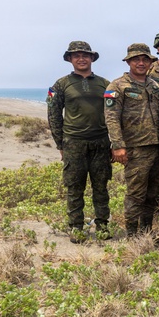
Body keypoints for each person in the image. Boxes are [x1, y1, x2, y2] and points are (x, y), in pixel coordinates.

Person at [48, 41, 111, 242]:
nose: (81, 58)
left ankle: (102, 226)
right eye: (76, 55)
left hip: (100, 143)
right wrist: (61, 144)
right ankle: (76, 227)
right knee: (75, 187)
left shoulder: (105, 84)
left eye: (85, 55)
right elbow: (53, 115)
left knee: (101, 187)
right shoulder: (60, 85)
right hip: (74, 143)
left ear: (92, 58)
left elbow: (114, 113)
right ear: (70, 59)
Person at [105, 43, 159, 237]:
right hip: (135, 148)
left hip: (157, 148)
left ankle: (146, 231)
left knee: (154, 193)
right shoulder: (117, 86)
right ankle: (132, 234)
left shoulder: (154, 86)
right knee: (136, 194)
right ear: (129, 61)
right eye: (136, 59)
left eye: (145, 59)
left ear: (150, 62)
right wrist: (118, 145)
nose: (141, 63)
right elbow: (111, 117)